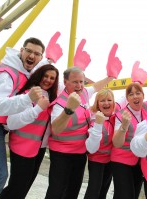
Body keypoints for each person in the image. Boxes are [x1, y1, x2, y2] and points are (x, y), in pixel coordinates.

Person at [45, 43, 122, 199]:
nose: (79, 85)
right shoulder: (61, 103)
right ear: (65, 82)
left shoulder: (84, 93)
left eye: (82, 81)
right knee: (56, 191)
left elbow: (97, 86)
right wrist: (69, 110)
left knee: (73, 191)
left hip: (80, 154)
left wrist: (111, 77)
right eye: (75, 82)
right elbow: (56, 129)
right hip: (62, 154)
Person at [0, 37, 47, 199]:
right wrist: (27, 99)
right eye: (29, 51)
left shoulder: (23, 72)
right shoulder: (8, 73)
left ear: (40, 58)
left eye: (37, 54)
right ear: (21, 51)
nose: (32, 55)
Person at [0, 64, 59, 199]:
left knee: (25, 187)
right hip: (22, 147)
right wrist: (37, 109)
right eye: (46, 76)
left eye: (52, 78)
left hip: (39, 149)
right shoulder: (27, 94)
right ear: (39, 75)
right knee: (16, 187)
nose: (48, 80)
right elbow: (12, 122)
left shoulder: (50, 97)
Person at [111, 82, 147, 199]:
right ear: (127, 99)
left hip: (140, 161)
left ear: (143, 95)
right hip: (121, 160)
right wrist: (124, 126)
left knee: (133, 195)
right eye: (131, 94)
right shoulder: (121, 114)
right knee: (125, 195)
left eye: (138, 93)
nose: (135, 96)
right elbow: (117, 143)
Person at [84, 88, 117, 199]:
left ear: (114, 102)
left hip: (110, 161)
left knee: (103, 191)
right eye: (102, 100)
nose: (106, 103)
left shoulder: (115, 119)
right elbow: (91, 148)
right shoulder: (94, 121)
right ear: (97, 104)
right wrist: (98, 124)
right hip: (96, 160)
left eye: (109, 100)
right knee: (94, 191)